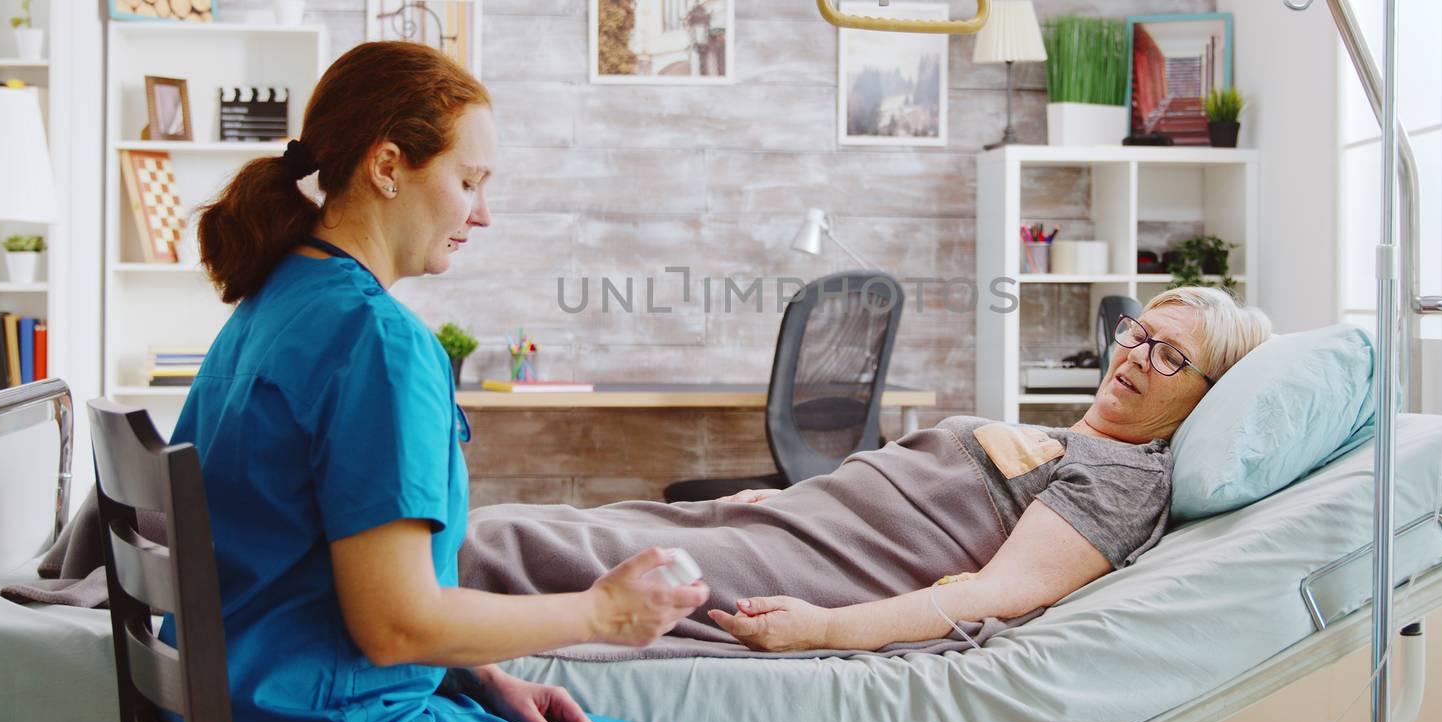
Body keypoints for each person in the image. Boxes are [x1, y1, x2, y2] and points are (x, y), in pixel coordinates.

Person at [177, 41, 706, 722]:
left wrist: (480, 672)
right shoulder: (378, 341)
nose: (482, 214)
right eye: (468, 181)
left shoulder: (271, 303)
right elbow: (397, 626)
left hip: (260, 707)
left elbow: (298, 559)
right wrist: (602, 613)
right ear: (388, 166)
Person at [459, 287, 1271, 654]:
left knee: (519, 546)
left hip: (818, 565)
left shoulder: (1126, 477)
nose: (1136, 357)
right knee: (565, 525)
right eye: (1138, 334)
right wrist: (784, 496)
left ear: (1206, 394)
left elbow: (999, 595)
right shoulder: (1062, 434)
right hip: (792, 519)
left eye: (1171, 358)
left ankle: (370, 621)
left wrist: (822, 627)